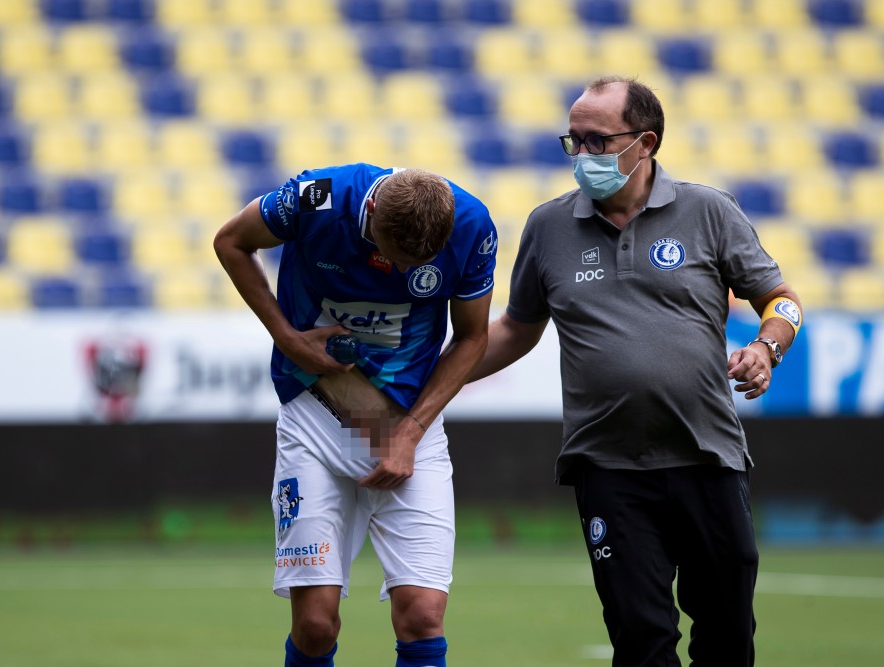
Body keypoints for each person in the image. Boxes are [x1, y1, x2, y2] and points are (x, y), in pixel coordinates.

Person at [471, 75, 803, 666]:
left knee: (728, 638)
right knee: (641, 641)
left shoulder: (709, 211)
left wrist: (766, 348)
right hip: (607, 466)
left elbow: (781, 299)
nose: (582, 155)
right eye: (573, 141)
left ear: (645, 142)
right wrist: (429, 374)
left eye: (597, 141)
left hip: (707, 457)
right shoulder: (547, 226)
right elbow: (517, 328)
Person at [214, 164, 497, 667]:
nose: (404, 275)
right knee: (315, 626)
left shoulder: (474, 225)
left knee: (423, 615)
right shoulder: (317, 198)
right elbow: (230, 241)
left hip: (408, 425)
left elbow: (473, 337)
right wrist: (287, 338)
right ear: (370, 213)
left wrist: (410, 433)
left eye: (417, 266)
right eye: (397, 259)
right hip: (314, 415)